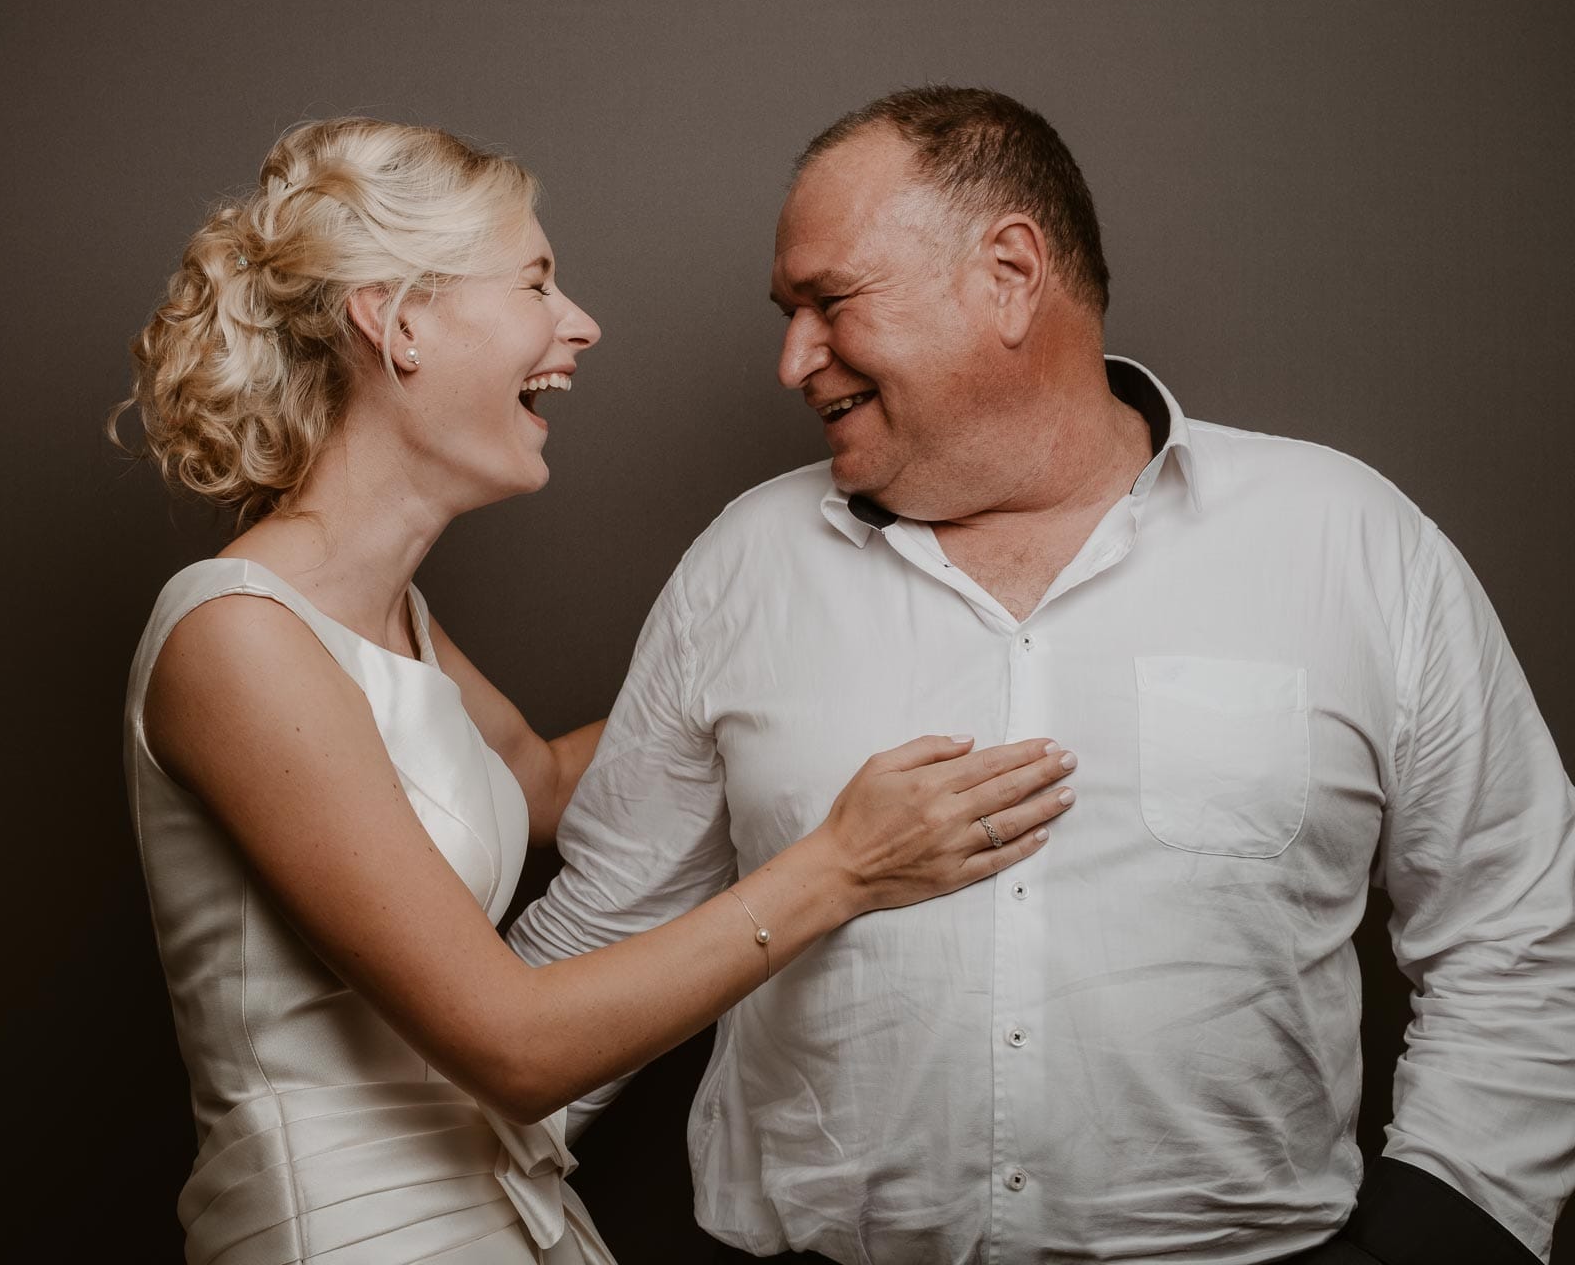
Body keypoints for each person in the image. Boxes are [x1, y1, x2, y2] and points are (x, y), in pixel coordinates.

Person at [509, 86, 1575, 1264]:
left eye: (827, 302)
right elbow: (603, 929)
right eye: (785, 313)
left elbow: (1516, 927)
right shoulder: (745, 563)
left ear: (1008, 273)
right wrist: (403, 1177)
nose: (791, 359)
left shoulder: (1351, 542)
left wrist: (1452, 1235)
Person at [111, 117, 1079, 1265]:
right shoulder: (236, 639)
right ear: (400, 319)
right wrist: (842, 866)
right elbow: (516, 1045)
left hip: (498, 1214)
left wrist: (801, 661)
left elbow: (546, 778)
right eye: (535, 282)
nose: (578, 324)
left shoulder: (387, 618)